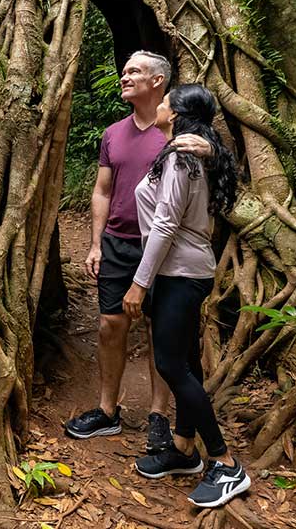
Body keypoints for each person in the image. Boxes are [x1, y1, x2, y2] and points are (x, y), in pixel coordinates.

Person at [64, 51, 212, 456]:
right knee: (111, 324)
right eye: (124, 70)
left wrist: (210, 150)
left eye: (134, 72)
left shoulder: (178, 135)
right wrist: (96, 243)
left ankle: (158, 416)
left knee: (157, 332)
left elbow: (213, 172)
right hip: (118, 241)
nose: (124, 76)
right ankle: (107, 410)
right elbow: (102, 190)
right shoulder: (113, 133)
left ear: (159, 81)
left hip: (162, 251)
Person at [124, 84, 248, 508]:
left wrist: (140, 283)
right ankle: (183, 448)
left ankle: (226, 463)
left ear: (175, 114)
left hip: (178, 271)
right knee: (188, 362)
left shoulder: (182, 156)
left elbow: (164, 225)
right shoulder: (192, 153)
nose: (157, 107)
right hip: (182, 269)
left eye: (163, 102)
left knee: (170, 364)